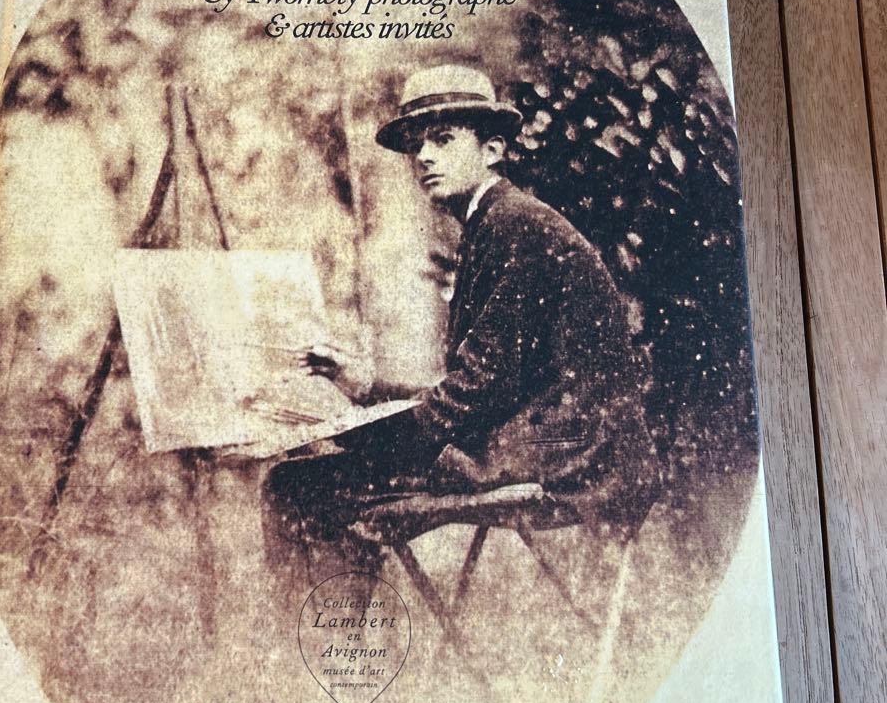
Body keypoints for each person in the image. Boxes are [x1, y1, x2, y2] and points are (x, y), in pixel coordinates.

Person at [262, 64, 658, 591]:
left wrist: (363, 433)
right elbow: (481, 382)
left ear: (492, 150)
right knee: (322, 477)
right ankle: (346, 627)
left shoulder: (515, 225)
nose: (424, 157)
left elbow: (477, 390)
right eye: (417, 146)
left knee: (294, 485)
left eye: (443, 140)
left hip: (569, 457)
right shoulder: (494, 222)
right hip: (554, 444)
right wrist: (367, 386)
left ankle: (314, 639)